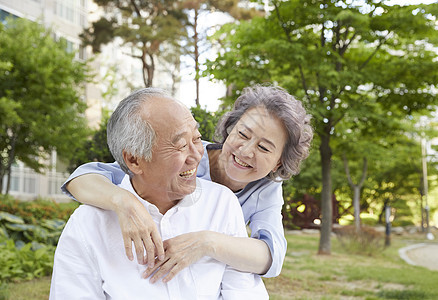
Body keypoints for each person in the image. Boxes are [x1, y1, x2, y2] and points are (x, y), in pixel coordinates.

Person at [63, 85, 313, 282]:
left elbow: (271, 257)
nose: (246, 151)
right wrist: (124, 202)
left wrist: (206, 243)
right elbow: (82, 178)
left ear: (278, 163)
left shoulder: (266, 189)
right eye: (242, 134)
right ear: (229, 129)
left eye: (263, 147)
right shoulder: (187, 155)